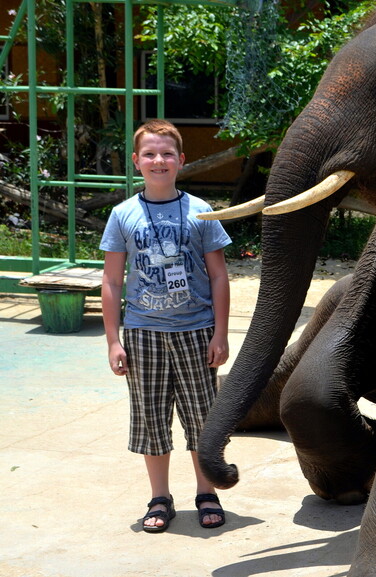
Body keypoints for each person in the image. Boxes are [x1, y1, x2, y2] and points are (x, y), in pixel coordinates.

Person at [100, 119, 232, 533]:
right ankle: (160, 497)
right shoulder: (122, 215)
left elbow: (218, 276)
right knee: (151, 419)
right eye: (151, 154)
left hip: (196, 331)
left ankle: (206, 492)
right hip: (142, 332)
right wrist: (112, 341)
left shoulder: (200, 211)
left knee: (201, 419)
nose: (160, 160)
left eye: (168, 153)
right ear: (137, 161)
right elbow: (112, 280)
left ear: (181, 160)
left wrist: (221, 332)